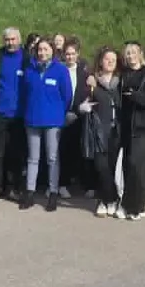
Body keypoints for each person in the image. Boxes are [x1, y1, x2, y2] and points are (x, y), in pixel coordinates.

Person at [20, 39, 73, 211]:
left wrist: (59, 112)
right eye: (40, 49)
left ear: (52, 51)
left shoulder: (60, 70)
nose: (42, 53)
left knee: (52, 158)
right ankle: (29, 193)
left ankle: (53, 192)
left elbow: (67, 96)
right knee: (33, 158)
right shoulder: (30, 70)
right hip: (32, 119)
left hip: (53, 121)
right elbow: (24, 93)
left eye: (46, 49)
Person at [117, 42, 145, 221]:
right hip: (127, 126)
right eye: (127, 53)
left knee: (139, 167)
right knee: (128, 166)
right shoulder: (124, 74)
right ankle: (132, 203)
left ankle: (134, 206)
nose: (130, 56)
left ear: (140, 54)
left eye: (134, 52)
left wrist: (136, 97)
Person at [0, 28, 27, 204]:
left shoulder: (27, 58)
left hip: (20, 114)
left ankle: (13, 188)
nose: (10, 43)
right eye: (7, 40)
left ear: (19, 39)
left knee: (16, 153)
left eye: (13, 39)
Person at [80, 47, 122, 218]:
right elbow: (81, 103)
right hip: (98, 131)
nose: (110, 61)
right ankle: (107, 200)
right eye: (107, 59)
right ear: (101, 61)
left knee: (113, 167)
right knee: (101, 167)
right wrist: (84, 108)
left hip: (117, 131)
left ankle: (109, 200)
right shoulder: (92, 82)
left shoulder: (121, 82)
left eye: (113, 59)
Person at [59, 41, 92, 199]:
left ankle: (86, 183)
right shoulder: (60, 70)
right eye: (67, 54)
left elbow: (88, 91)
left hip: (80, 114)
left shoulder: (84, 72)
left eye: (73, 53)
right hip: (62, 115)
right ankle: (62, 183)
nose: (70, 57)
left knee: (81, 149)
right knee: (63, 150)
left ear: (78, 54)